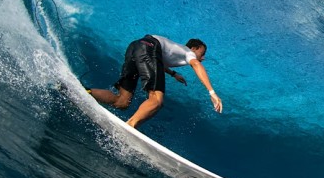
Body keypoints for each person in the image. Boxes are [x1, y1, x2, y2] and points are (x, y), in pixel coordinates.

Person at [88, 34, 223, 128]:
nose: (203, 57)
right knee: (156, 100)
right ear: (194, 48)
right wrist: (212, 93)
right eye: (202, 53)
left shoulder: (175, 50)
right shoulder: (189, 52)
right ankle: (130, 125)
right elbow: (196, 64)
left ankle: (87, 92)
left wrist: (173, 74)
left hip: (136, 46)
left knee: (122, 101)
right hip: (149, 47)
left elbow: (154, 61)